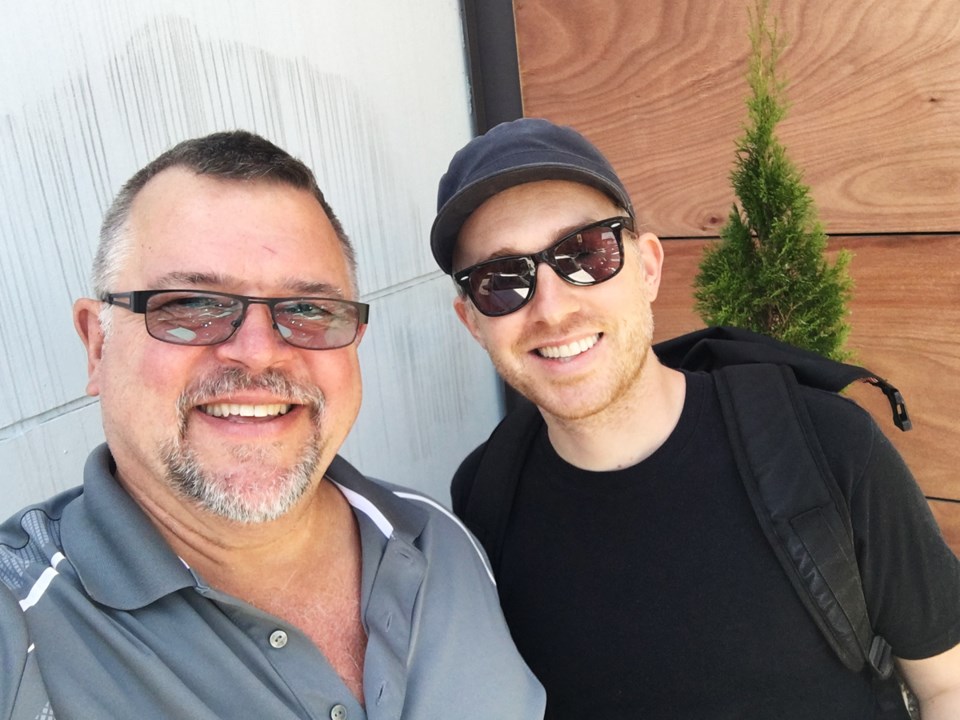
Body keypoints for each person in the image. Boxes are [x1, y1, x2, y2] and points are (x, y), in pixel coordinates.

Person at [0, 130, 545, 719]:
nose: (258, 353)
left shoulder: (440, 543)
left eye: (308, 309)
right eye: (190, 305)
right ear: (97, 344)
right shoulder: (19, 626)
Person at [428, 117, 960, 719]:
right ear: (473, 321)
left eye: (586, 253)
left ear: (648, 267)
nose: (552, 308)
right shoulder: (483, 494)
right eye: (501, 282)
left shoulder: (826, 449)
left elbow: (947, 685)